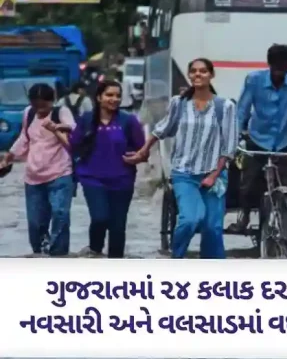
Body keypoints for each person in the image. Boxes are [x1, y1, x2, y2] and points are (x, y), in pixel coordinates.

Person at [124, 58, 237, 259]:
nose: (198, 75)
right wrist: (143, 151)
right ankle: (177, 259)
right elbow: (162, 129)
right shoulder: (179, 103)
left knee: (213, 227)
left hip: (215, 176)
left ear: (211, 75)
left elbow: (228, 147)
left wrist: (214, 174)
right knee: (190, 219)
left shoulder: (225, 107)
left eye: (203, 71)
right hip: (184, 174)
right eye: (193, 71)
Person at [228, 44, 287, 233]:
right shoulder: (254, 80)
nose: (279, 73)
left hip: (285, 140)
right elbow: (242, 110)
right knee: (248, 183)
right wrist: (235, 137)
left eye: (284, 68)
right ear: (269, 64)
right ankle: (245, 216)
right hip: (258, 138)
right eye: (276, 68)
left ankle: (286, 223)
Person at [69, 81, 145, 258]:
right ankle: (95, 251)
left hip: (122, 180)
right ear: (99, 97)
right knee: (100, 217)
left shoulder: (129, 121)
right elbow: (74, 146)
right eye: (109, 95)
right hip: (92, 178)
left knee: (118, 227)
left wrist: (139, 156)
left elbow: (142, 150)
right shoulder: (87, 119)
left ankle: (115, 267)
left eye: (118, 96)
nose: (114, 99)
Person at [0, 84, 75, 256]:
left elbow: (72, 137)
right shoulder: (29, 113)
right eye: (36, 105)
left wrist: (56, 128)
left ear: (52, 101)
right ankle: (40, 252)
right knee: (35, 222)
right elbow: (24, 138)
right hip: (33, 176)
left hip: (60, 173)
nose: (40, 109)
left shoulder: (61, 113)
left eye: (44, 105)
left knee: (60, 214)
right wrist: (8, 157)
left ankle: (59, 253)